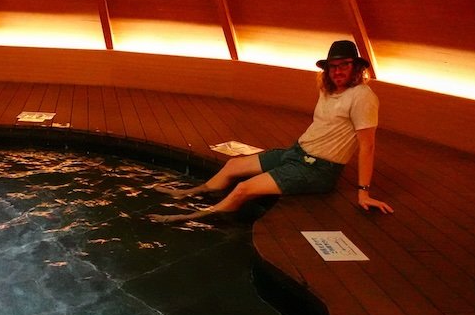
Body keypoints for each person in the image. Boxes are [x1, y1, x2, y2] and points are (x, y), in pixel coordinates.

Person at [149, 40, 394, 222]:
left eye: (344, 66)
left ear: (356, 67)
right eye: (333, 67)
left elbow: (367, 146)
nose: (337, 72)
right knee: (234, 166)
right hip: (297, 153)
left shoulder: (363, 97)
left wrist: (363, 193)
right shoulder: (328, 89)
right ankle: (191, 193)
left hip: (319, 169)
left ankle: (193, 217)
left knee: (243, 189)